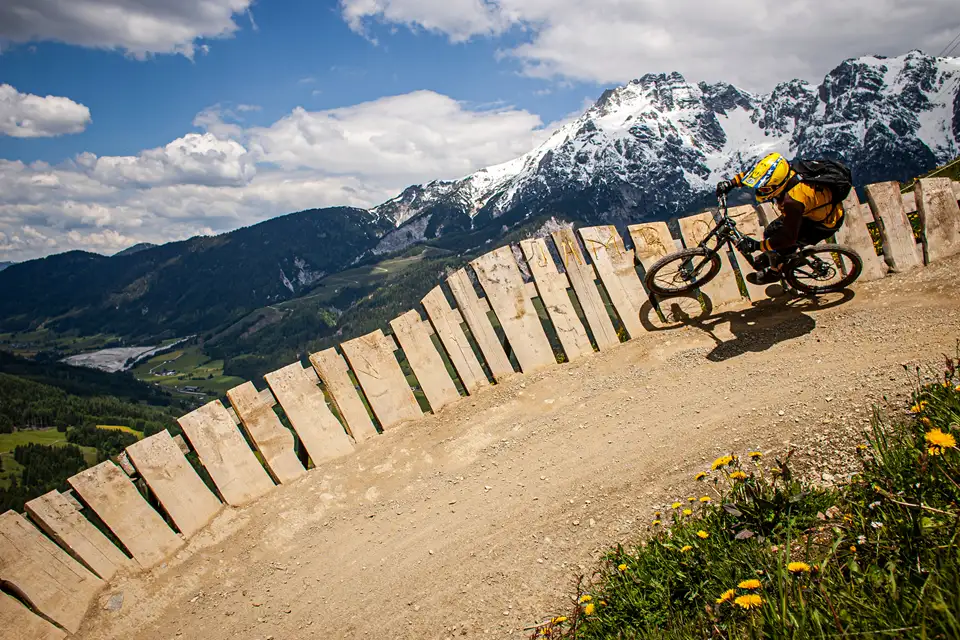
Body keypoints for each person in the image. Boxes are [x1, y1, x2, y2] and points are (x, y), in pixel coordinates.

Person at [716, 152, 846, 285]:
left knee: (784, 244)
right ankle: (778, 258)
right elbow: (757, 175)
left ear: (778, 185)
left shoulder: (793, 201)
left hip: (822, 224)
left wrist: (757, 246)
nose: (760, 191)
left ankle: (775, 272)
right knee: (770, 232)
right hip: (812, 211)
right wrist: (732, 183)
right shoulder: (786, 171)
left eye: (765, 189)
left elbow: (788, 238)